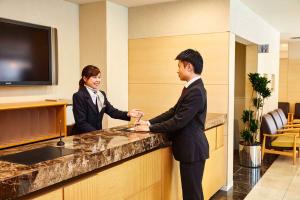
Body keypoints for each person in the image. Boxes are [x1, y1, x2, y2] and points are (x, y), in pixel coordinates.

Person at [135, 49, 209, 200]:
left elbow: (178, 121)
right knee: (191, 193)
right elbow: (173, 111)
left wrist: (149, 128)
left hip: (192, 150)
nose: (177, 71)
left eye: (179, 66)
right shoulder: (191, 88)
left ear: (189, 67)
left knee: (192, 195)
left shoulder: (196, 91)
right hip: (191, 150)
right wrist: (148, 122)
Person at [72, 65, 142, 134]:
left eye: (99, 77)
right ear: (85, 78)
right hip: (83, 137)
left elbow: (112, 112)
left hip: (96, 137)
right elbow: (81, 122)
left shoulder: (101, 94)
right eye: (94, 77)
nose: (98, 80)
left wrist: (128, 114)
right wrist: (97, 134)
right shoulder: (78, 96)